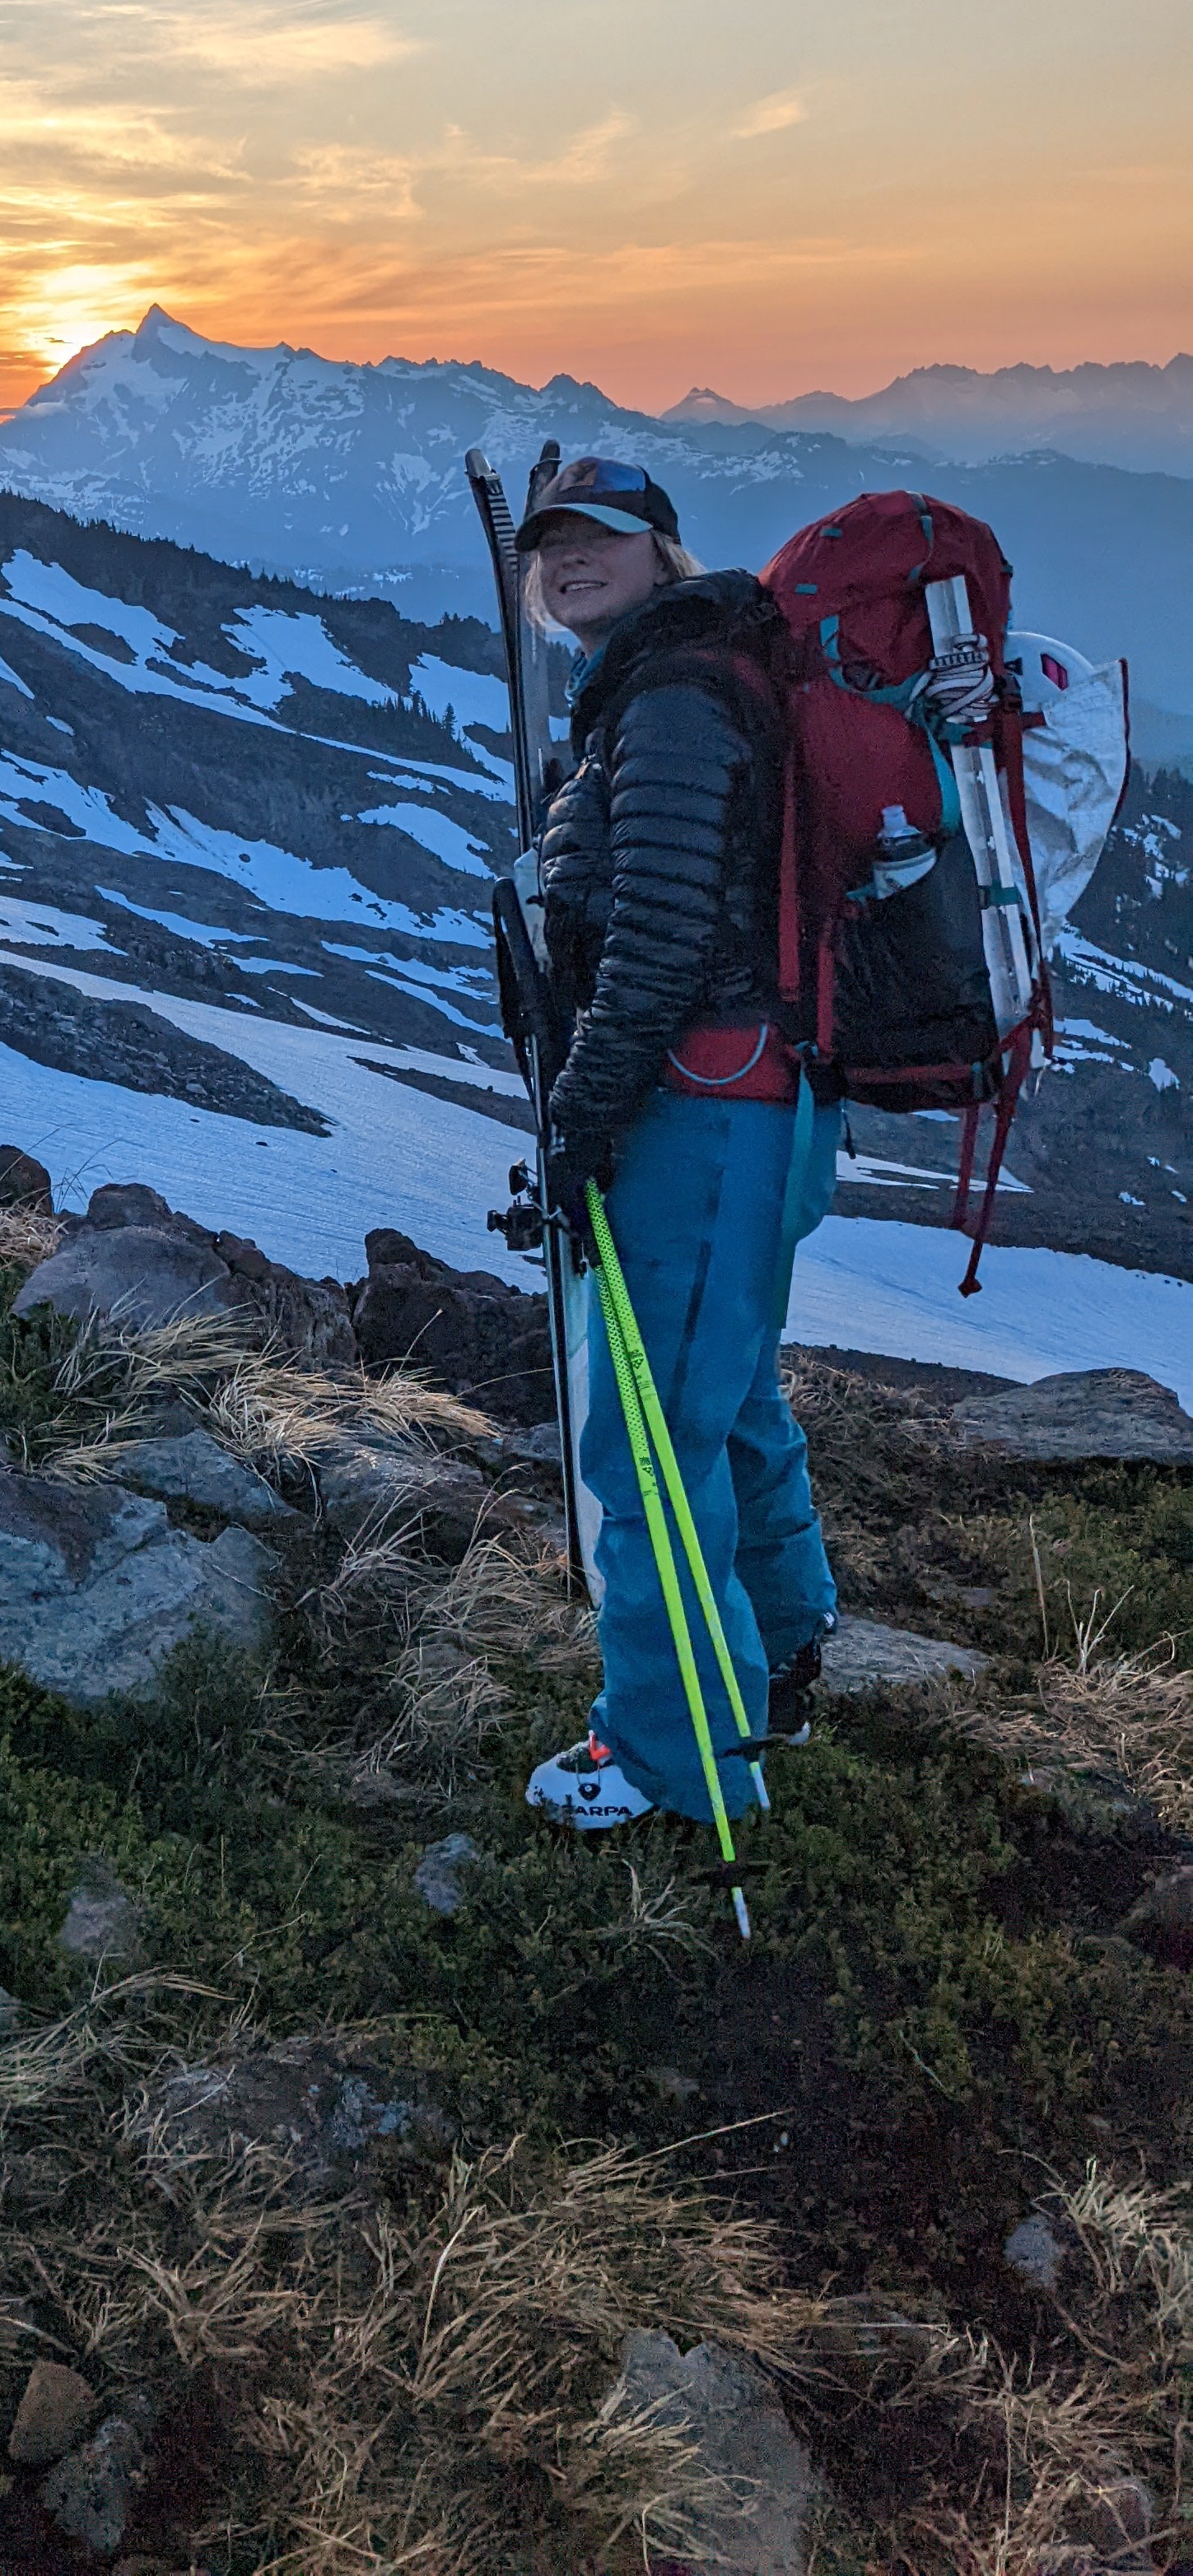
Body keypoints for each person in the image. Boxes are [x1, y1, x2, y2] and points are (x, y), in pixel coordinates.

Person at [514, 455, 838, 1832]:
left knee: (645, 1445)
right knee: (727, 1392)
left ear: (660, 549)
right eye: (547, 540)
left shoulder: (674, 698)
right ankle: (785, 1642)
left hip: (701, 1114)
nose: (565, 556)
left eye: (598, 535)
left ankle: (677, 1754)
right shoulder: (688, 676)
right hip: (755, 1107)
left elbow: (649, 950)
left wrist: (577, 1128)